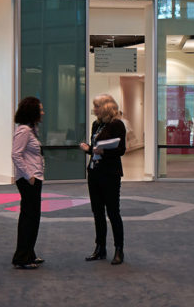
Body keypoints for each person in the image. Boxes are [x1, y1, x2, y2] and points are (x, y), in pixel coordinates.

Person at [80, 94, 126, 265]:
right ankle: (100, 248)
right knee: (97, 212)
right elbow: (95, 149)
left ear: (106, 107)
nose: (94, 109)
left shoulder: (117, 124)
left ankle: (119, 250)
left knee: (113, 212)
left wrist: (103, 152)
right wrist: (89, 149)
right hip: (94, 173)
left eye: (97, 106)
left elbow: (121, 150)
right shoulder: (96, 124)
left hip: (110, 174)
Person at [11, 97, 45, 270]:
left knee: (32, 218)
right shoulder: (24, 131)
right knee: (29, 218)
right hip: (28, 180)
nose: (42, 112)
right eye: (40, 109)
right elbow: (16, 154)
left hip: (34, 178)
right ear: (32, 111)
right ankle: (22, 257)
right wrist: (29, 175)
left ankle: (28, 253)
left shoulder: (31, 129)